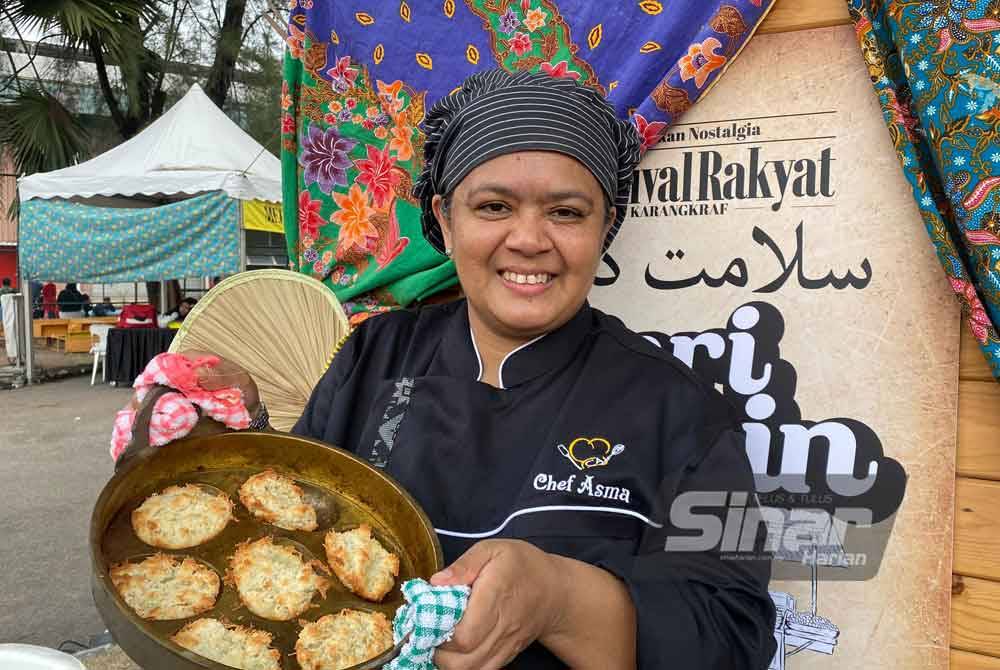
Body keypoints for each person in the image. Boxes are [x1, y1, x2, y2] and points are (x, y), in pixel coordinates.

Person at [115, 70, 776, 669]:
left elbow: (735, 636)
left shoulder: (685, 411)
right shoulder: (373, 357)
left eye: (567, 212)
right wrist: (210, 455)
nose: (529, 239)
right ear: (444, 218)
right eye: (493, 206)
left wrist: (561, 599)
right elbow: (287, 532)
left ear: (604, 230)